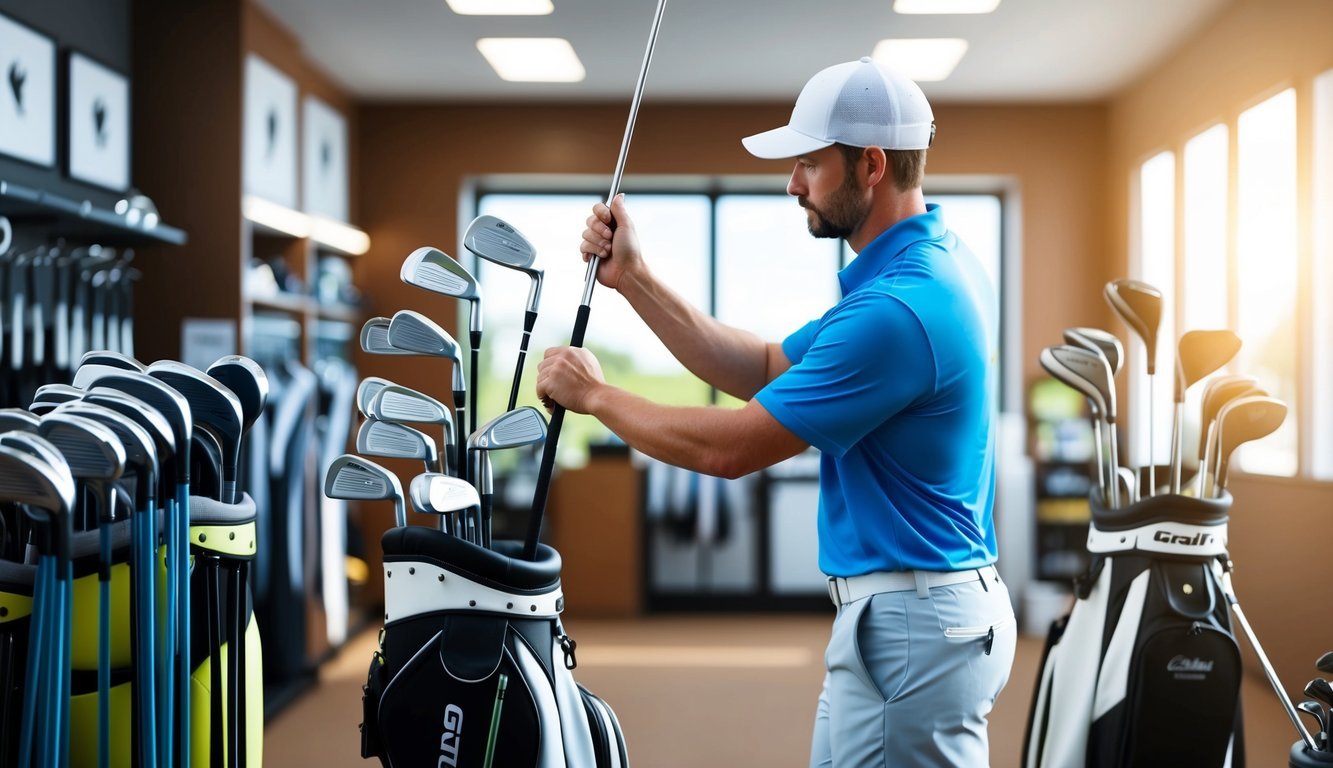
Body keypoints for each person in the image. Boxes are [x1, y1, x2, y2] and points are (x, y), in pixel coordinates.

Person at [536, 56, 1015, 767]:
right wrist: (633, 280)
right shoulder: (919, 268)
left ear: (871, 165)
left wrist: (597, 396)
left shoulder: (896, 310)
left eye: (809, 165)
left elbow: (730, 450)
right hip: (906, 620)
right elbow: (761, 367)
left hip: (912, 627)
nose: (792, 185)